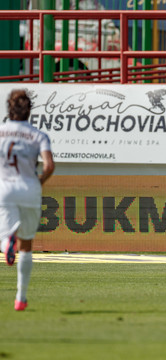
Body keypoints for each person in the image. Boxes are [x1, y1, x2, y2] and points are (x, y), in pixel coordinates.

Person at [0, 89, 55, 310]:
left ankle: (6, 244)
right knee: (27, 244)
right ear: (29, 111)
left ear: (9, 109)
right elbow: (49, 166)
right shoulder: (38, 135)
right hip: (30, 189)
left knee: (5, 236)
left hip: (6, 189)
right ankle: (21, 298)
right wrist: (38, 182)